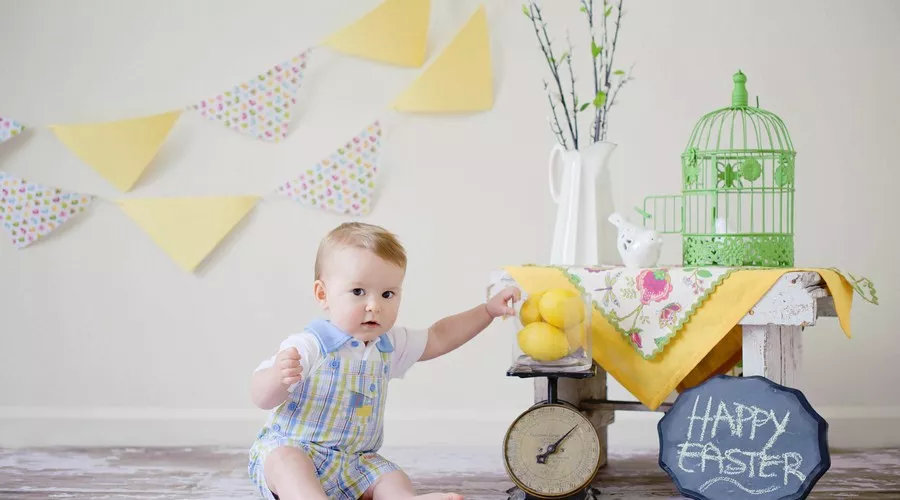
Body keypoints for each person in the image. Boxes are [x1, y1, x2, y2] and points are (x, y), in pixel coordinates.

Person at [248, 222, 519, 500]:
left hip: (354, 461)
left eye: (387, 294)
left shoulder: (388, 344)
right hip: (298, 449)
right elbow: (261, 397)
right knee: (287, 463)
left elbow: (440, 336)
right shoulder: (310, 345)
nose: (374, 305)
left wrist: (487, 311)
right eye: (358, 292)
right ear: (322, 294)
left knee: (390, 477)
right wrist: (277, 377)